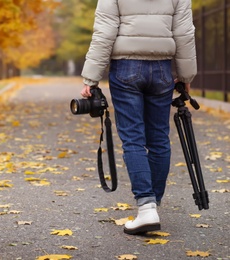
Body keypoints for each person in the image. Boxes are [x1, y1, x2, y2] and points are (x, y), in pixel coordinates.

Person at [80, 0, 197, 235]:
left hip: (126, 68)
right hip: (162, 70)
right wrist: (186, 76)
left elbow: (104, 32)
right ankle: (153, 205)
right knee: (159, 139)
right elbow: (184, 33)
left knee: (133, 138)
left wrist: (91, 79)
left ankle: (146, 207)